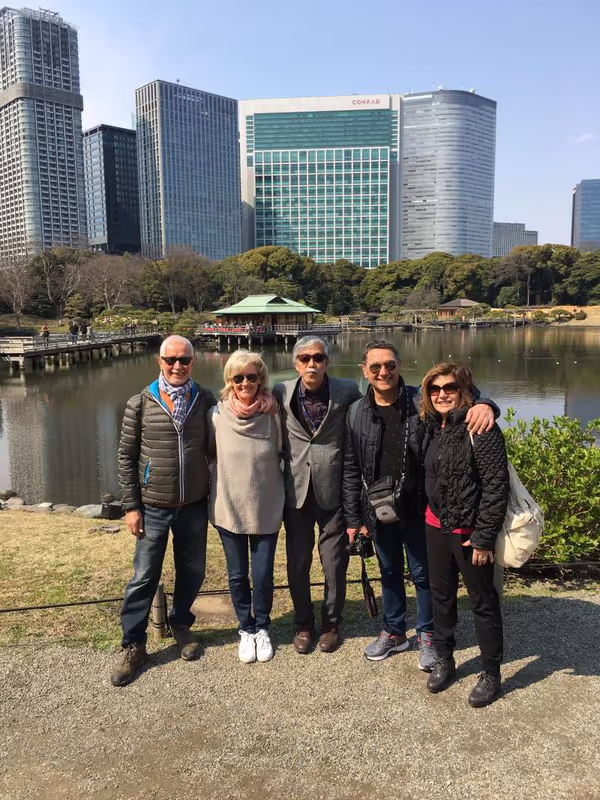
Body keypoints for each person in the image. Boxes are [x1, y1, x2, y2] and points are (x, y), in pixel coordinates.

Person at [342, 340, 496, 672]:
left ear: (399, 365)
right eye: (375, 367)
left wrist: (486, 404)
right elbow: (352, 467)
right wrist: (355, 517)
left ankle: (427, 633)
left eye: (390, 365)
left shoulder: (419, 401)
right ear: (364, 371)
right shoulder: (356, 411)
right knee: (389, 572)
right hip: (378, 509)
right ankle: (394, 631)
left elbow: (460, 394)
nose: (384, 372)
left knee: (425, 575)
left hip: (419, 507)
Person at [112, 335, 216, 686]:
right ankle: (134, 644)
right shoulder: (140, 402)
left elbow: (219, 445)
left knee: (193, 570)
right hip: (153, 506)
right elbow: (126, 457)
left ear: (192, 362)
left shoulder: (205, 399)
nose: (177, 366)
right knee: (144, 576)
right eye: (170, 359)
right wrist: (131, 506)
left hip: (193, 504)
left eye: (184, 360)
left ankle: (181, 623)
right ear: (159, 360)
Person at [420, 362, 508, 707]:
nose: (442, 394)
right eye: (435, 388)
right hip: (434, 526)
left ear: (465, 391)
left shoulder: (480, 427)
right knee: (441, 597)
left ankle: (491, 671)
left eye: (450, 388)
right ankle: (445, 658)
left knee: (483, 602)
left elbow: (495, 486)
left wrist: (484, 537)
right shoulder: (431, 425)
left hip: (470, 532)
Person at [273, 336, 361, 654]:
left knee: (334, 562)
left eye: (318, 358)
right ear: (295, 362)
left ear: (327, 361)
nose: (312, 363)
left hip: (333, 490)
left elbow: (370, 415)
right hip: (294, 490)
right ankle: (303, 623)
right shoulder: (280, 391)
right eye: (305, 358)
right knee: (297, 562)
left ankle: (331, 623)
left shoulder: (348, 390)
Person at [209, 350, 285, 664]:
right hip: (229, 505)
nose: (245, 383)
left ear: (261, 379)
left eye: (251, 377)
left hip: (266, 504)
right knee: (238, 574)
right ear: (229, 380)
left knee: (263, 573)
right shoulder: (216, 413)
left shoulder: (273, 414)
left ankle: (263, 626)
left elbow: (282, 451)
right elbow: (209, 455)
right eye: (238, 378)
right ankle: (246, 628)